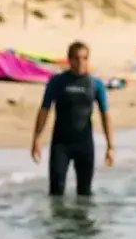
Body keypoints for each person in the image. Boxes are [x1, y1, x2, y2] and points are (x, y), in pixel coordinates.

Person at [30, 42, 115, 196]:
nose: (81, 62)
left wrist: (110, 146)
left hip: (84, 145)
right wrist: (36, 139)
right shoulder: (57, 82)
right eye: (77, 58)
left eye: (85, 58)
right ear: (69, 60)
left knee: (84, 194)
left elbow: (105, 116)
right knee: (56, 192)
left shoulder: (96, 85)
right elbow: (44, 110)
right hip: (61, 145)